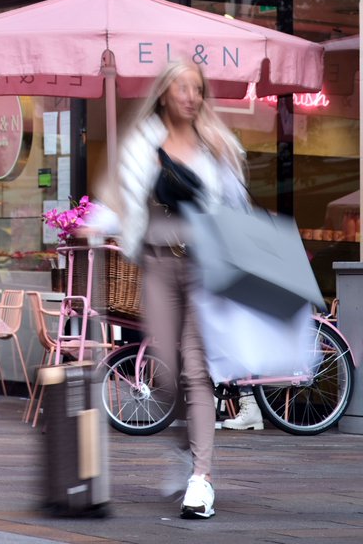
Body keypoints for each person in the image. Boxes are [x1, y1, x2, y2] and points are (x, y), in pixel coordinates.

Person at [116, 59, 248, 522]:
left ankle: (201, 478)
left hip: (201, 270)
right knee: (167, 373)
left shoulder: (218, 146)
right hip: (155, 266)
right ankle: (189, 443)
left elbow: (235, 207)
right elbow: (129, 205)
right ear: (165, 94)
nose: (190, 95)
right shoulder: (141, 146)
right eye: (181, 87)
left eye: (197, 88)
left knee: (195, 371)